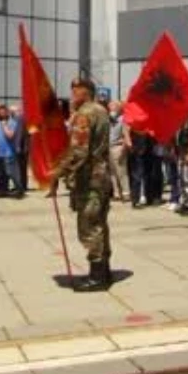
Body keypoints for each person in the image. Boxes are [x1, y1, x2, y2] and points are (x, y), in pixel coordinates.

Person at [52, 78, 116, 292]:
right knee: (100, 224)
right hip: (102, 176)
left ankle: (97, 277)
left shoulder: (85, 114)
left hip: (90, 179)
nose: (72, 95)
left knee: (89, 227)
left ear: (86, 92)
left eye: (75, 91)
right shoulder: (102, 110)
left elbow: (79, 150)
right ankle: (104, 270)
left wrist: (58, 172)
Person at [0, 105, 25, 198]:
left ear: (7, 112)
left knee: (12, 173)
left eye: (3, 112)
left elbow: (10, 136)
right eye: (0, 112)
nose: (1, 114)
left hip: (8, 152)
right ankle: (3, 190)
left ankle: (19, 189)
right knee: (0, 174)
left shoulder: (13, 123)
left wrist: (4, 125)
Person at [107, 101, 128, 202]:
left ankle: (126, 193)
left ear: (119, 108)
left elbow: (126, 136)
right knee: (112, 173)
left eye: (113, 107)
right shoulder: (108, 120)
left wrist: (124, 148)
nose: (111, 109)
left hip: (118, 147)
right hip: (109, 147)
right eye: (110, 107)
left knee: (121, 172)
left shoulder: (123, 119)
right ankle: (116, 193)